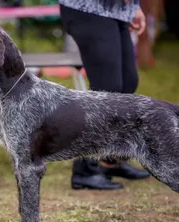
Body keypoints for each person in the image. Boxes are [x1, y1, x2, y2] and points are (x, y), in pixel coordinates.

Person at [59, 0, 151, 190]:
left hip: (116, 11)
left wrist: (134, 7)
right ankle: (84, 169)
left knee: (127, 83)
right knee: (107, 89)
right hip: (87, 8)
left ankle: (110, 161)